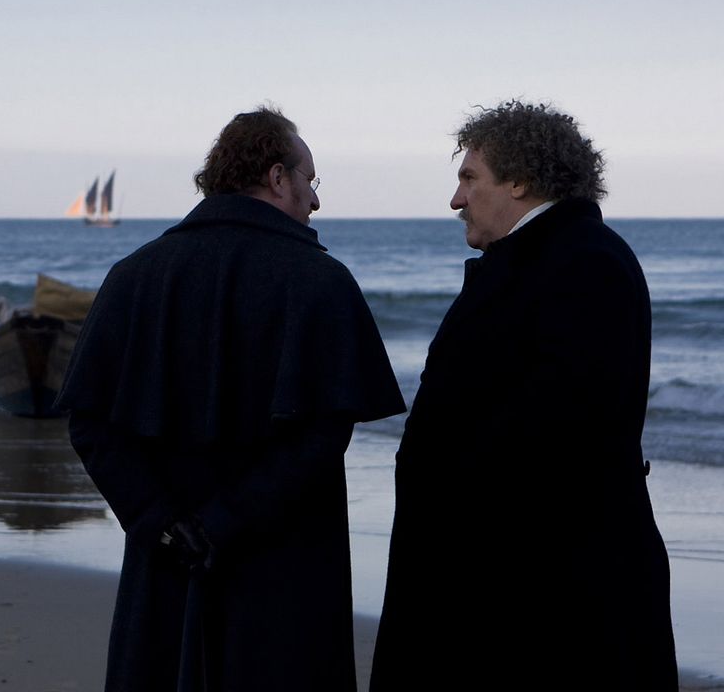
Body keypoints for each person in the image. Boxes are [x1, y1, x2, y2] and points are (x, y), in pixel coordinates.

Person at [56, 106, 405, 691]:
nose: (316, 200)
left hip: (164, 561)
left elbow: (91, 425)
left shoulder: (132, 274)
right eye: (311, 180)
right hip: (284, 569)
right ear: (277, 177)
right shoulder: (320, 280)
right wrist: (223, 523)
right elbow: (322, 436)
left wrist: (162, 523)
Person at [370, 101, 678, 691]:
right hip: (508, 579)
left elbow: (561, 433)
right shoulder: (543, 259)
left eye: (469, 178)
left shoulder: (583, 261)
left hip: (539, 597)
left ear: (518, 180)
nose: (456, 200)